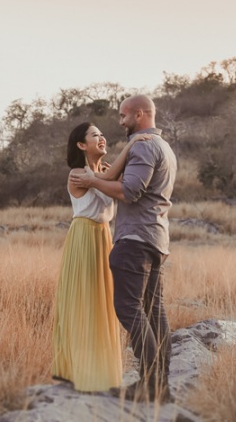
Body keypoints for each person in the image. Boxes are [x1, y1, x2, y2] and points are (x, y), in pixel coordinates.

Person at [70, 95, 177, 403]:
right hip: (157, 240)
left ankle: (151, 383)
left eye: (123, 116)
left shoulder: (144, 146)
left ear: (140, 114)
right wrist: (98, 177)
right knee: (155, 313)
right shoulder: (165, 148)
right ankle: (161, 386)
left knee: (129, 309)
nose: (119, 122)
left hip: (135, 241)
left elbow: (130, 192)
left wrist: (92, 182)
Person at [52, 122, 151, 392]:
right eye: (95, 135)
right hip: (84, 237)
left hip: (103, 237)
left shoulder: (104, 172)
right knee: (85, 300)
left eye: (102, 134)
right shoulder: (77, 174)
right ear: (81, 145)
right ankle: (80, 371)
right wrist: (131, 145)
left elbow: (120, 187)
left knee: (104, 300)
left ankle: (101, 371)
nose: (102, 138)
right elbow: (107, 183)